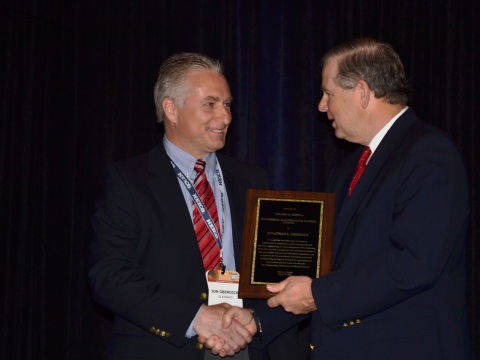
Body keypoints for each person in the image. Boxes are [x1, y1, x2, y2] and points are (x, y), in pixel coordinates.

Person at [210, 37, 473, 359]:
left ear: (362, 92)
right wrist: (257, 319)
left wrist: (317, 294)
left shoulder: (428, 155)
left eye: (329, 93)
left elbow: (415, 263)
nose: (322, 105)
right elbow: (326, 267)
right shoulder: (351, 167)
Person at [88, 52, 264, 359]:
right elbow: (109, 276)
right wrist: (196, 316)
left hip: (245, 344)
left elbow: (272, 269)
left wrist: (257, 320)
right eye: (210, 104)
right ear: (171, 108)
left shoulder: (252, 178)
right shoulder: (128, 181)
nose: (225, 117)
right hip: (166, 347)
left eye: (227, 104)